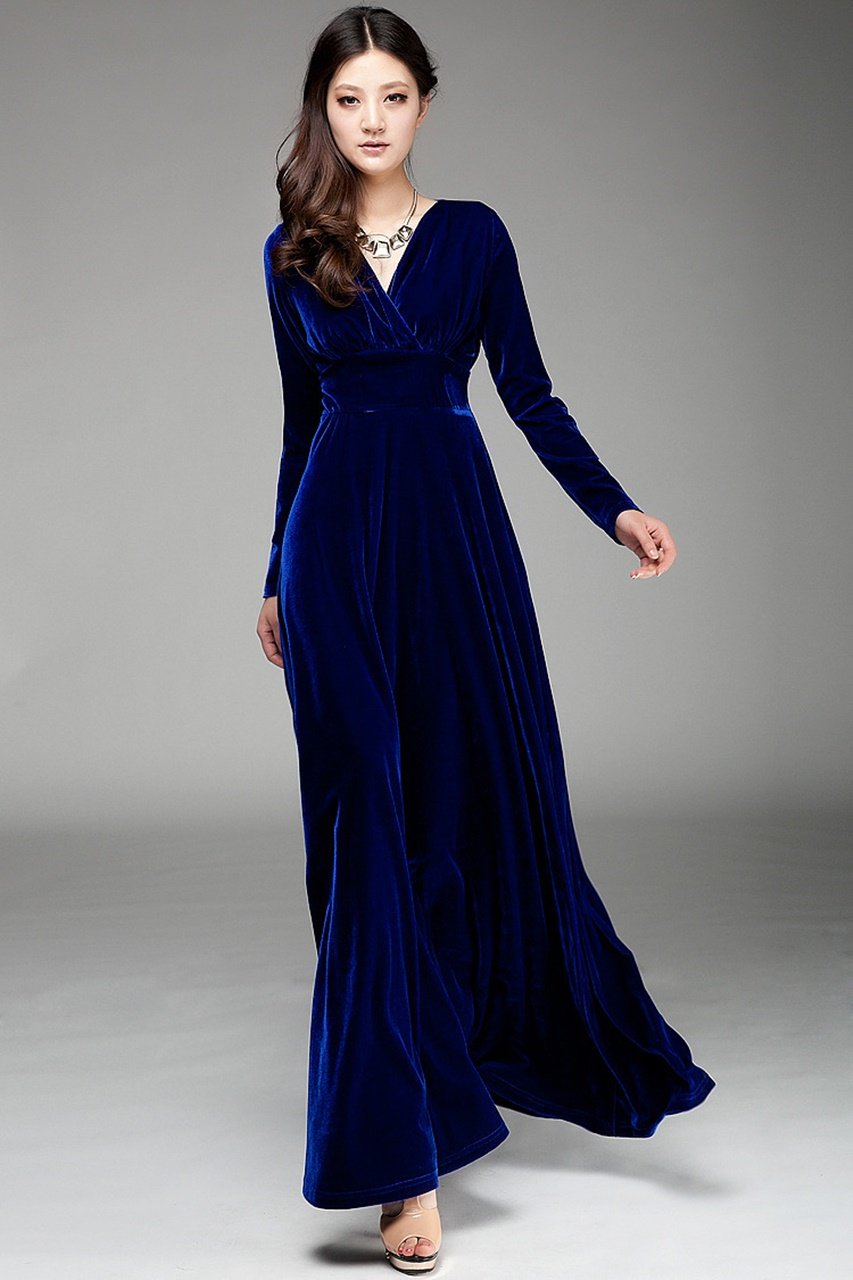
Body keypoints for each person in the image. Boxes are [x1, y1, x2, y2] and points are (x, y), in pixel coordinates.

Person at [255, 5, 714, 1272]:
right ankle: (399, 1162)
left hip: (454, 553)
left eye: (392, 96)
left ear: (423, 103)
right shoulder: (292, 251)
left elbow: (528, 392)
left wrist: (614, 508)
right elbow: (298, 426)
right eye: (348, 99)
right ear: (322, 110)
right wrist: (274, 573)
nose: (371, 120)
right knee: (362, 827)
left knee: (457, 816)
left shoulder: (474, 236)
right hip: (334, 553)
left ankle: (458, 1057)